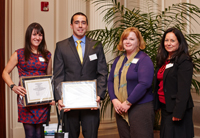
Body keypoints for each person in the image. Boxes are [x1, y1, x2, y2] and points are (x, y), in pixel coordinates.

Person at [53, 12, 108, 138]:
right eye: (77, 22)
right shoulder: (61, 46)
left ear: (87, 26)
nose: (80, 25)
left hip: (91, 103)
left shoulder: (96, 45)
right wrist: (60, 98)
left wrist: (99, 95)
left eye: (83, 22)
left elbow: (102, 72)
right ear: (71, 25)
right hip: (69, 104)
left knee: (91, 135)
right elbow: (58, 75)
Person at [2, 22, 54, 138]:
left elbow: (49, 77)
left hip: (42, 100)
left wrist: (51, 96)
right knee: (30, 135)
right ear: (28, 36)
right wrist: (13, 86)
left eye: (40, 35)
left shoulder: (47, 55)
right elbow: (5, 72)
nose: (37, 38)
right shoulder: (19, 53)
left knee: (40, 134)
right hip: (26, 100)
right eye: (34, 34)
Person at [108, 27, 154, 138]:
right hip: (120, 108)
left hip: (140, 108)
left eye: (132, 39)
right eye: (125, 39)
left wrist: (128, 103)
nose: (128, 42)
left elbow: (144, 84)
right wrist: (115, 100)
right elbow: (110, 81)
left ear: (138, 42)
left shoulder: (144, 59)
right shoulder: (118, 60)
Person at [154, 27, 194, 138]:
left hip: (177, 110)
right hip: (165, 108)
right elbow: (159, 84)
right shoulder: (163, 60)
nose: (168, 43)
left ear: (179, 42)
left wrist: (178, 112)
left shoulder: (184, 60)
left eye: (172, 40)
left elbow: (184, 89)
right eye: (166, 40)